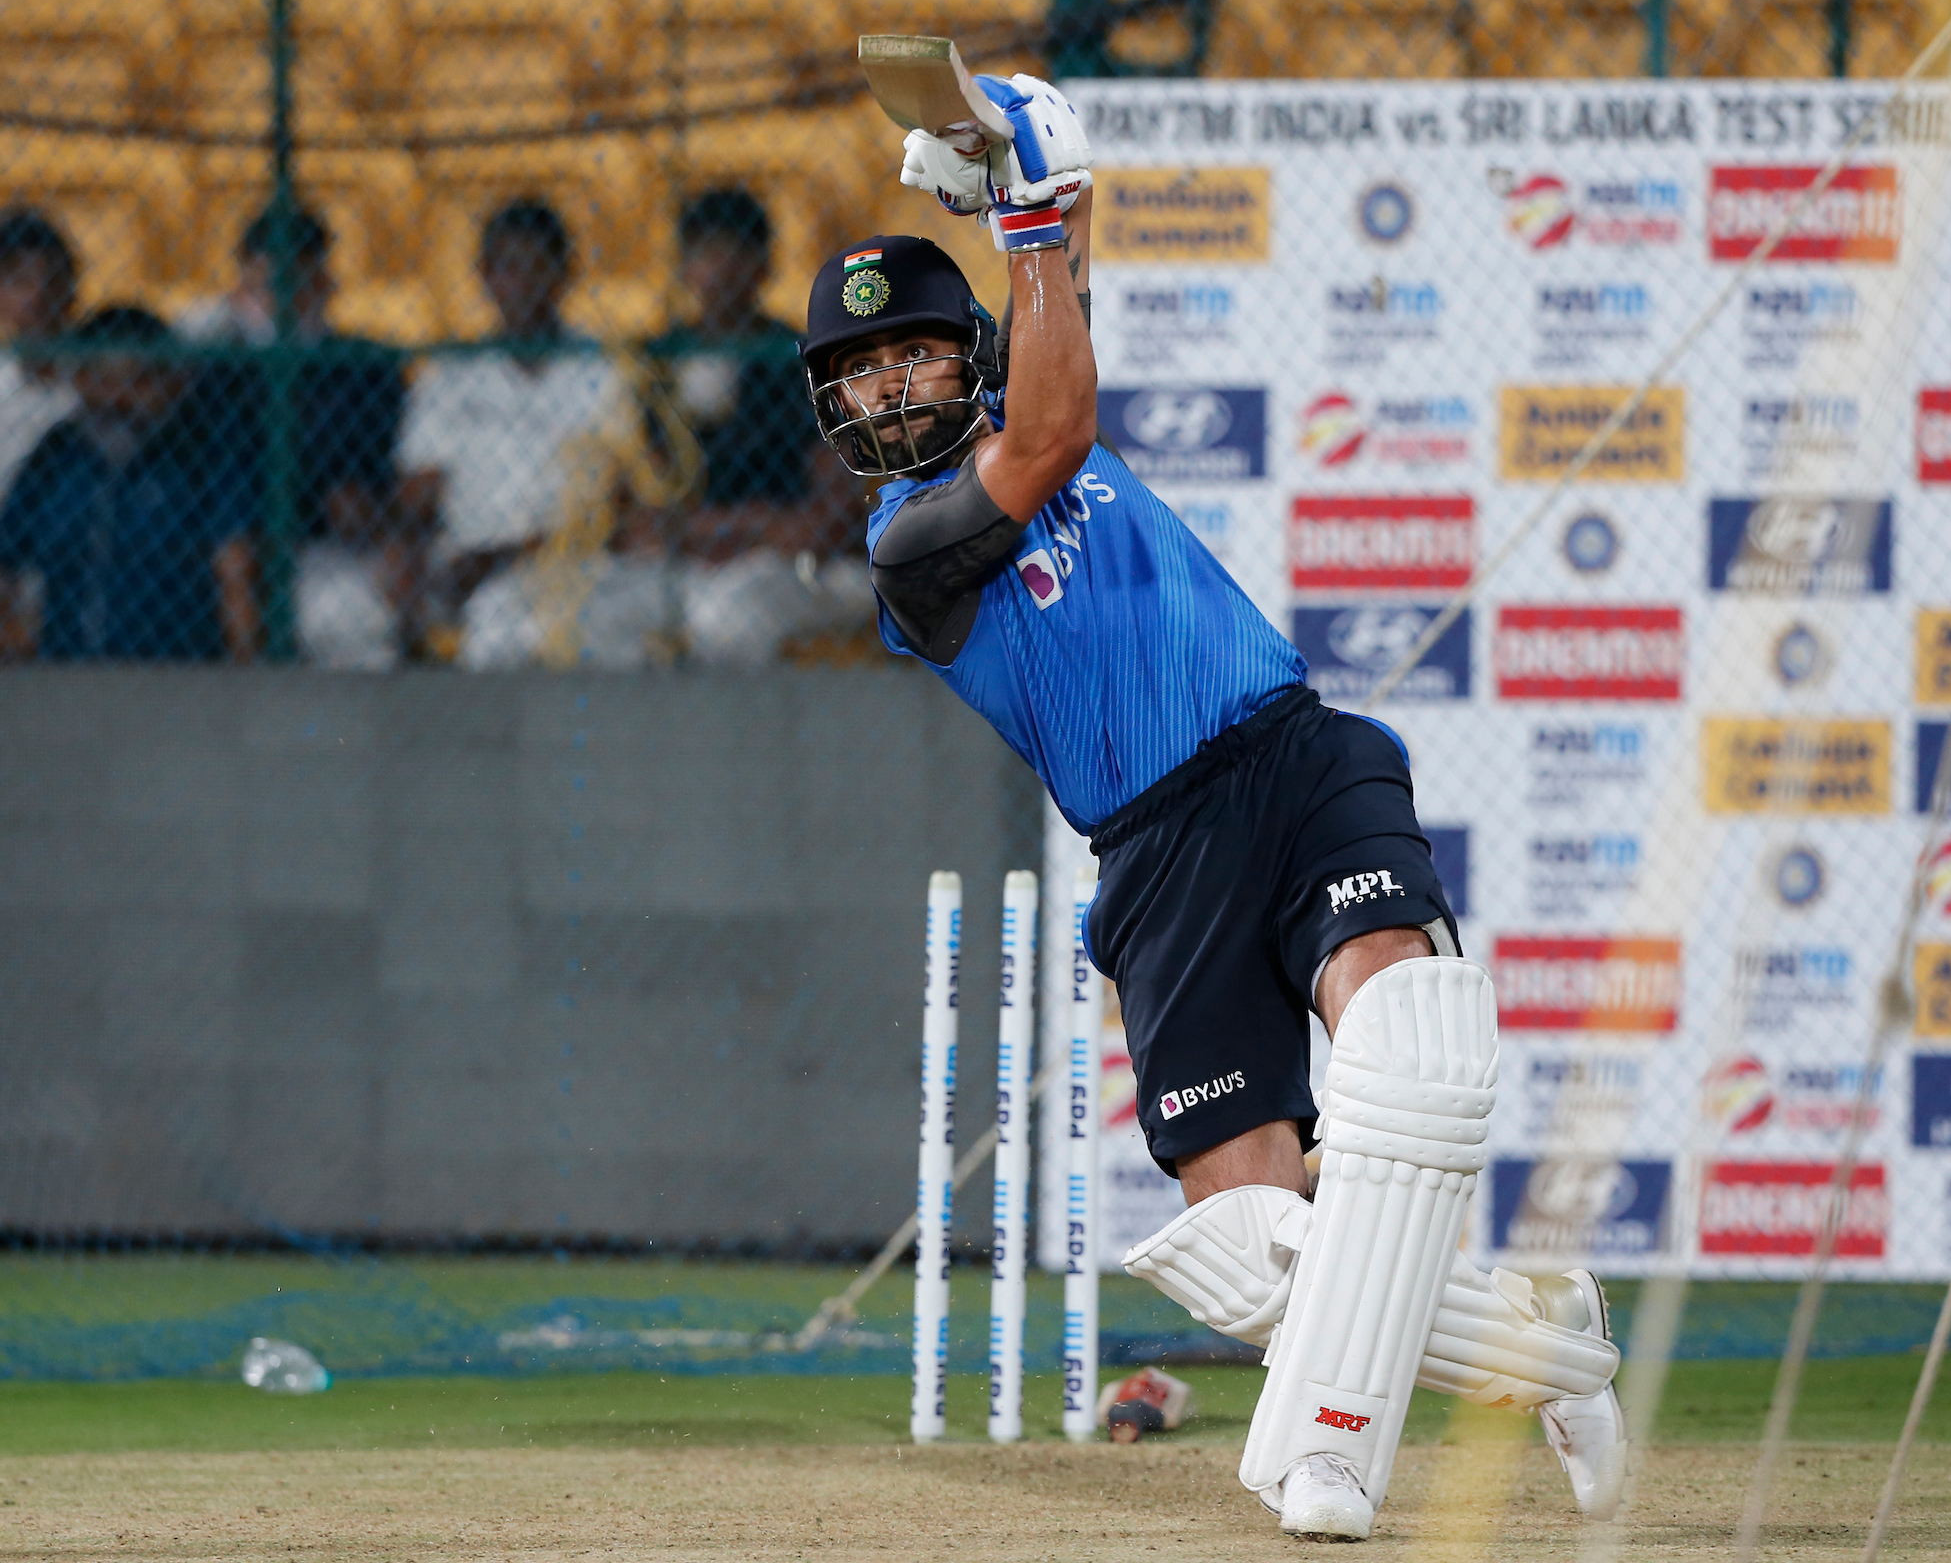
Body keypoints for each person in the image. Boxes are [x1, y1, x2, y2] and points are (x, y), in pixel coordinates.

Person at [807, 76, 1626, 1539]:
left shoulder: (1026, 378)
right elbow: (1050, 429)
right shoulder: (911, 548)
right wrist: (1030, 205)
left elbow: (1059, 302)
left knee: (1405, 1060)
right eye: (860, 374)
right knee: (1260, 1252)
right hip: (1159, 856)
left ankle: (1328, 1453)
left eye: (915, 356)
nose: (887, 391)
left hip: (1295, 762)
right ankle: (1542, 1338)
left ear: (969, 355)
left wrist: (1022, 185)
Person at [625, 187, 870, 665]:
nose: (720, 271)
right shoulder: (656, 367)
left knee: (724, 616)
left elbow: (829, 523)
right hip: (686, 565)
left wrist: (708, 531)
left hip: (794, 568)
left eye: (735, 253)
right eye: (705, 253)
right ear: (682, 266)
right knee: (604, 611)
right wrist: (754, 524)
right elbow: (638, 525)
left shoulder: (806, 363)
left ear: (764, 266)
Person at [395, 198, 622, 669]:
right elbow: (418, 492)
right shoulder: (450, 374)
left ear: (565, 276)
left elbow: (614, 497)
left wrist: (509, 556)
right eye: (507, 269)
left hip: (575, 560)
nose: (522, 285)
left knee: (512, 632)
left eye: (538, 268)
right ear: (483, 276)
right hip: (467, 560)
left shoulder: (601, 370)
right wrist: (412, 556)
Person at [180, 205, 408, 670]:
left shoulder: (365, 368)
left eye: (298, 281)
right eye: (266, 284)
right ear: (241, 288)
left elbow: (363, 495)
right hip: (214, 551)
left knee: (353, 616)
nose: (283, 300)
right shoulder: (208, 370)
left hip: (331, 553)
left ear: (324, 283)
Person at [0, 306, 255, 661]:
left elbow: (235, 571)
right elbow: (7, 560)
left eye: (139, 382)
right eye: (102, 381)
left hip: (178, 677)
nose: (118, 399)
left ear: (173, 382)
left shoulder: (201, 457)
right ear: (79, 380)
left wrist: (244, 673)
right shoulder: (58, 455)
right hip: (64, 675)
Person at [0, 210, 81, 657]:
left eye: (51, 280)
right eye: (18, 281)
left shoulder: (96, 388)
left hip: (74, 565)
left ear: (72, 291)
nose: (37, 296)